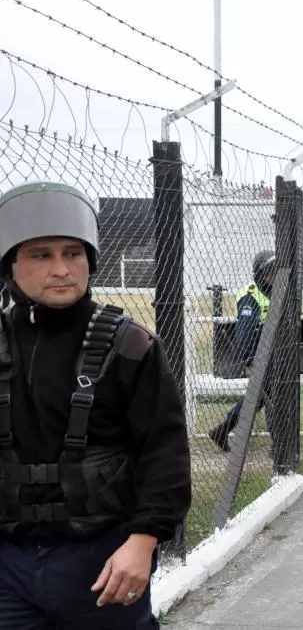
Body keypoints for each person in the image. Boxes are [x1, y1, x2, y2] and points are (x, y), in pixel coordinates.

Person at [0, 181, 192, 629]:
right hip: (8, 565)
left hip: (103, 561)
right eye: (41, 254)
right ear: (11, 265)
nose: (61, 268)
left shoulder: (130, 346)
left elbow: (164, 454)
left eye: (73, 253)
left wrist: (143, 542)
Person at [207, 250, 277, 451]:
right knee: (269, 397)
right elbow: (244, 332)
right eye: (268, 271)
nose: (272, 275)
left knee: (260, 397)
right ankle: (277, 445)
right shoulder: (250, 295)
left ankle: (223, 429)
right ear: (259, 273)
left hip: (273, 353)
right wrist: (249, 361)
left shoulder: (275, 290)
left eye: (274, 270)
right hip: (259, 355)